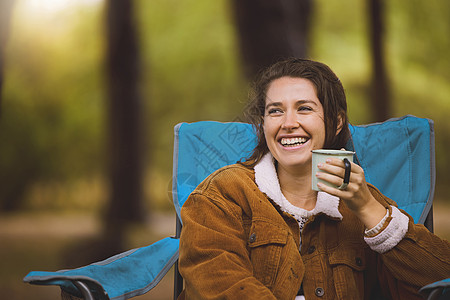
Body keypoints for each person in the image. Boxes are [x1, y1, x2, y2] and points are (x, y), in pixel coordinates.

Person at [178, 58, 450, 299]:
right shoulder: (224, 193)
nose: (288, 123)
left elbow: (439, 280)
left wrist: (369, 210)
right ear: (264, 123)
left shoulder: (364, 202)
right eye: (275, 110)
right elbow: (217, 285)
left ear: (337, 121)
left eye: (304, 108)